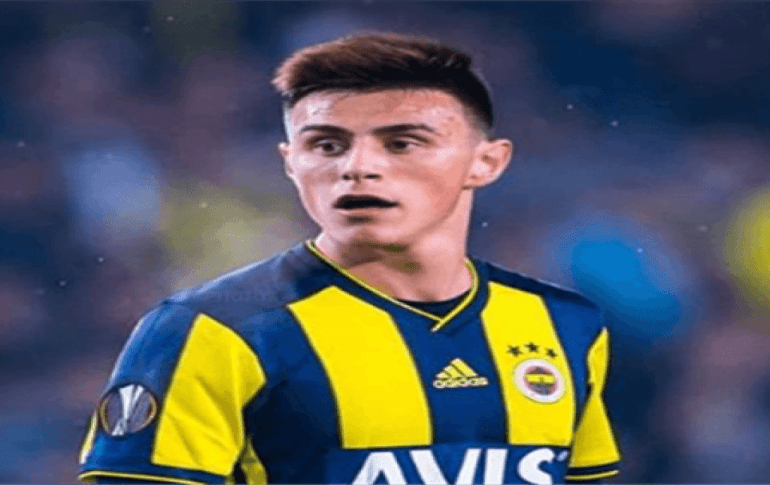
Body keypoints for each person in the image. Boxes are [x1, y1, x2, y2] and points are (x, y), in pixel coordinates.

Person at [77, 32, 621, 485]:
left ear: (486, 163)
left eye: (402, 143)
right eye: (327, 146)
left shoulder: (565, 325)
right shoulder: (212, 330)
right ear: (290, 163)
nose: (358, 167)